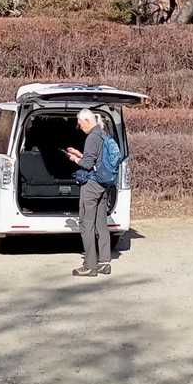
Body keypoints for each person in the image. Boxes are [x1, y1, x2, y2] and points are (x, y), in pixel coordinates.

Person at [66, 109, 112, 278]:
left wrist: (75, 159)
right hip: (104, 184)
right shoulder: (104, 134)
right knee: (101, 223)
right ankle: (104, 263)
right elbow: (96, 160)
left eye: (80, 124)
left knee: (86, 224)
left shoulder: (92, 137)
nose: (80, 127)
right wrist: (80, 154)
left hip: (91, 185)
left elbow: (86, 164)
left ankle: (90, 266)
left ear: (87, 121)